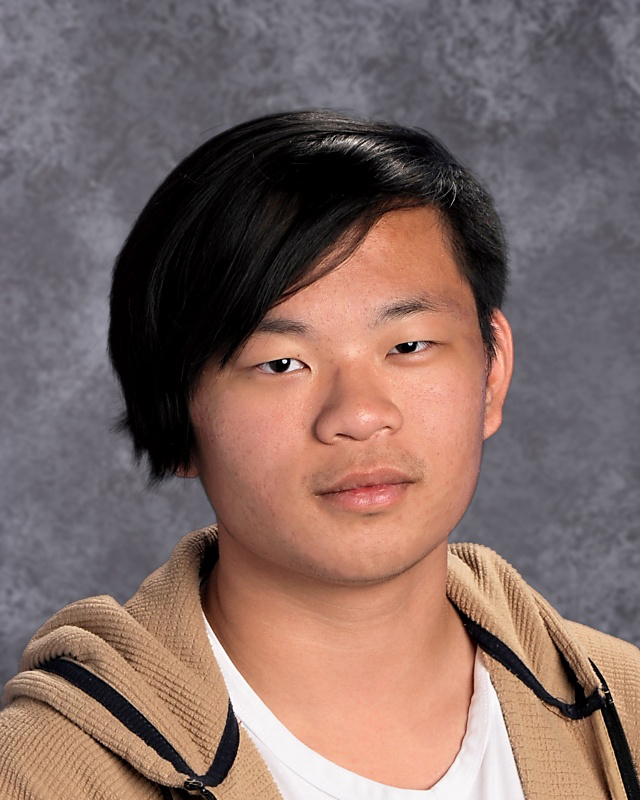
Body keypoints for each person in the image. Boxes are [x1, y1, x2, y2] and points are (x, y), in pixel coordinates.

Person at [0, 109, 638, 800]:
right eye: (281, 363)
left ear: (492, 371)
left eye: (408, 346)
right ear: (176, 416)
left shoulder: (626, 714)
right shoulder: (39, 773)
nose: (359, 415)